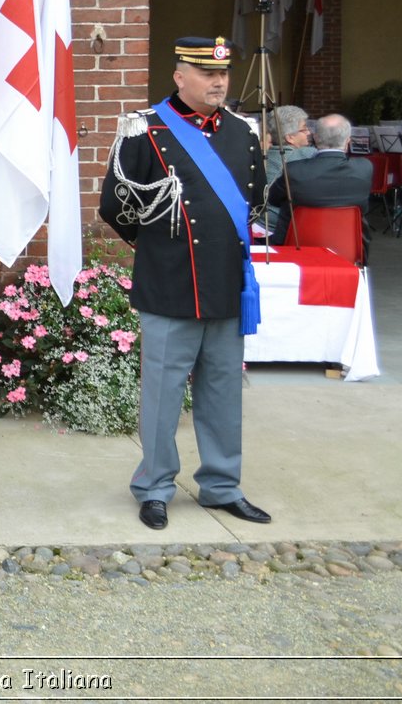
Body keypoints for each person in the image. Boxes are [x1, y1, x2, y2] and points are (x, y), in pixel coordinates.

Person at [99, 35, 269, 532]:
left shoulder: (242, 132)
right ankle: (154, 487)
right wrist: (162, 249)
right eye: (206, 73)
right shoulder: (144, 130)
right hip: (172, 285)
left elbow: (253, 202)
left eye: (223, 74)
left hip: (226, 285)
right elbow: (117, 206)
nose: (218, 81)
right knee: (162, 395)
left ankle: (221, 486)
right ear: (179, 76)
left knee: (222, 392)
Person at [269, 113, 374, 262]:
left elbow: (273, 199)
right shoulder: (364, 168)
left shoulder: (294, 171)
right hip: (349, 250)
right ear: (348, 140)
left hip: (296, 249)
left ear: (316, 138)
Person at [261, 104, 314, 238]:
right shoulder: (307, 154)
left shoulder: (263, 155)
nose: (309, 132)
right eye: (304, 129)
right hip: (280, 227)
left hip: (258, 222)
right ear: (290, 137)